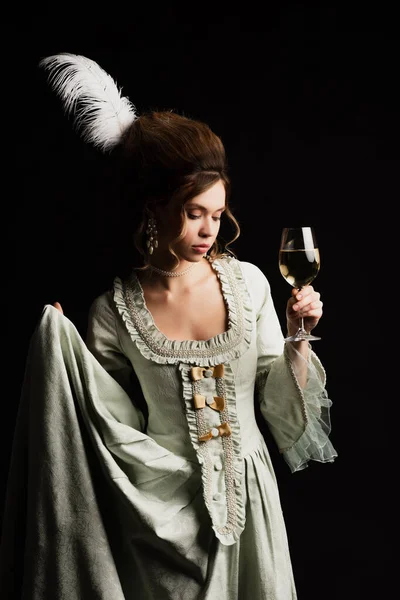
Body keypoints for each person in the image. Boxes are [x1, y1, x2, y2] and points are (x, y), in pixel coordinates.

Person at [0, 53, 337, 600]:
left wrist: (299, 334)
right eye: (193, 212)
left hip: (250, 501)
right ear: (154, 208)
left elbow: (278, 408)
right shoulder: (114, 310)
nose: (209, 228)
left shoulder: (249, 283)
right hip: (160, 522)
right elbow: (110, 429)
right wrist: (67, 358)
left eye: (217, 212)